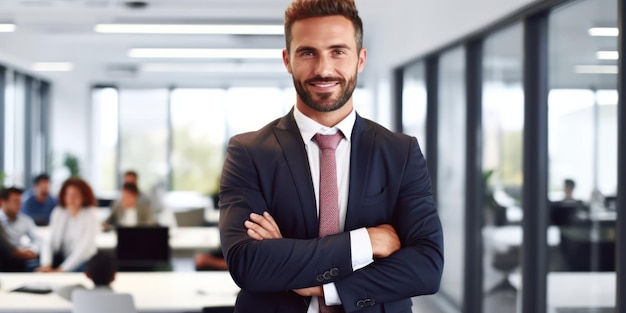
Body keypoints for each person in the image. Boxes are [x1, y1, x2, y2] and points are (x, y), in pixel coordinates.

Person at [218, 0, 444, 312]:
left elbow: (426, 267)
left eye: (338, 51)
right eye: (307, 52)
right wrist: (367, 242)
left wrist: (323, 285)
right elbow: (248, 264)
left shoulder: (399, 152)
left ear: (360, 59)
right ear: (287, 60)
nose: (323, 68)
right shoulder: (249, 153)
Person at [36, 178, 100, 273]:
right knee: (33, 267)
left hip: (83, 262)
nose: (70, 198)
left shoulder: (91, 214)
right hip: (62, 259)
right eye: (67, 194)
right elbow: (50, 240)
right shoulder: (59, 212)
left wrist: (62, 270)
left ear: (84, 196)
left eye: (75, 195)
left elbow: (84, 249)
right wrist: (46, 264)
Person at [0, 187, 41, 271]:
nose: (19, 205)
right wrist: (16, 252)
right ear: (3, 202)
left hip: (21, 258)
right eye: (15, 201)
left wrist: (32, 250)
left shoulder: (25, 220)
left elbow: (37, 239)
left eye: (20, 202)